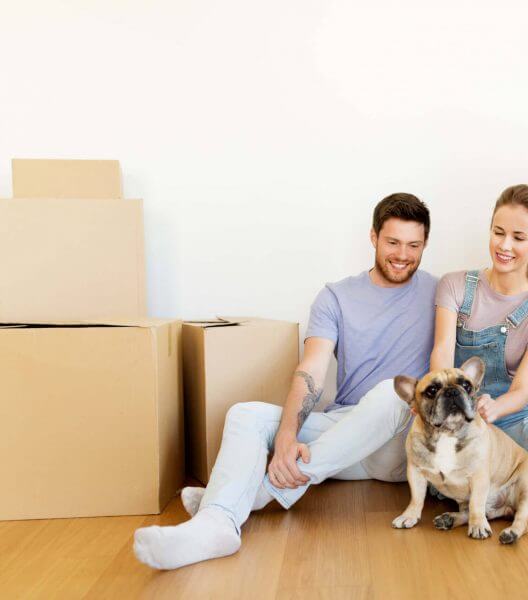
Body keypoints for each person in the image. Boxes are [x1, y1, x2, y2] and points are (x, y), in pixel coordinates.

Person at [133, 193, 438, 570]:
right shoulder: (336, 296)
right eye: (393, 242)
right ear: (373, 237)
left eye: (414, 245)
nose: (402, 254)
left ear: (425, 245)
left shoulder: (440, 295)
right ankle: (217, 524)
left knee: (393, 391)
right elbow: (311, 368)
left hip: (401, 443)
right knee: (246, 414)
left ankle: (250, 497)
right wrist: (286, 437)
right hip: (343, 438)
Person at [430, 184, 528, 506]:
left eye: (518, 238)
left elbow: (520, 391)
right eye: (498, 232)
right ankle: (516, 470)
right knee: (442, 489)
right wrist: (449, 407)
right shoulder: (455, 286)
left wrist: (494, 408)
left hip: (513, 415)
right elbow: (442, 353)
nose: (504, 246)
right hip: (458, 413)